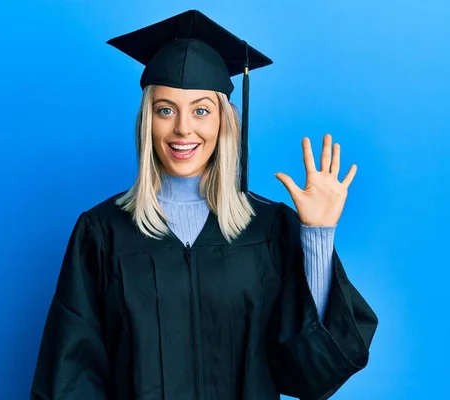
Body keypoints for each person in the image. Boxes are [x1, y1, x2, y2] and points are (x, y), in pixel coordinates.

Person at [30, 9, 378, 400]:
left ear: (223, 122)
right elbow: (72, 376)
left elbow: (311, 371)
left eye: (201, 110)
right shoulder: (101, 232)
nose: (183, 128)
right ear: (148, 122)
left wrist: (317, 236)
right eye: (166, 110)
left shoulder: (269, 228)